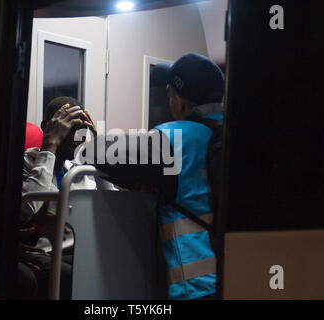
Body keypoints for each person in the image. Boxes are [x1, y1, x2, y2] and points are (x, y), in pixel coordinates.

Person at [85, 53, 225, 300]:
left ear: (179, 101)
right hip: (240, 275)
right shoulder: (239, 132)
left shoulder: (176, 138)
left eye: (169, 94)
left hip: (196, 285)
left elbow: (98, 151)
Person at [19, 96, 115, 299]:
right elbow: (31, 209)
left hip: (76, 249)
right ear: (48, 127)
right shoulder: (28, 165)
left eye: (80, 130)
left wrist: (101, 157)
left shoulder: (76, 173)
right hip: (41, 253)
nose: (76, 136)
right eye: (68, 127)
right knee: (73, 275)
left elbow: (113, 208)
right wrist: (50, 145)